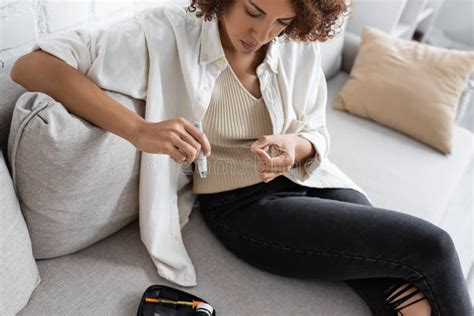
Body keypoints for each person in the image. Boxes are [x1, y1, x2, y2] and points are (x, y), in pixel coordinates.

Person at [10, 0, 472, 315]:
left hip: (313, 180)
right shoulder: (164, 32)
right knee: (432, 248)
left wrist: (297, 146)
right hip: (244, 206)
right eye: (253, 10)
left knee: (403, 292)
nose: (262, 33)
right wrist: (139, 130)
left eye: (282, 21)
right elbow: (30, 65)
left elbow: (315, 128)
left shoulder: (293, 45)